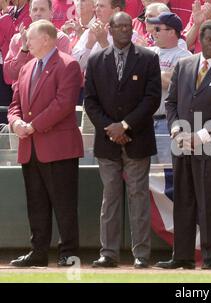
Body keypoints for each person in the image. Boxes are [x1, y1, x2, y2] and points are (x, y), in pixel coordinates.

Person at [154, 20, 211, 270]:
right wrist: (177, 130)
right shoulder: (184, 65)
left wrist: (201, 136)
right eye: (209, 39)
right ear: (200, 39)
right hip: (181, 145)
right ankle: (181, 256)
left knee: (210, 203)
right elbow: (171, 103)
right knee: (183, 201)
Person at [84, 12, 161, 269]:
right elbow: (90, 101)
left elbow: (152, 99)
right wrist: (110, 128)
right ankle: (109, 253)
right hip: (108, 141)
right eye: (120, 26)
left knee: (139, 196)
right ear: (110, 28)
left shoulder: (148, 58)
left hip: (137, 138)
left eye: (129, 26)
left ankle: (141, 254)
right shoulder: (96, 60)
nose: (126, 30)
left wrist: (125, 125)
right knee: (111, 197)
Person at [8, 19, 83, 267]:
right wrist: (16, 122)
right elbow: (15, 103)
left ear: (47, 39)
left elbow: (63, 104)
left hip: (58, 147)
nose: (26, 42)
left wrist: (33, 126)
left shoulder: (68, 64)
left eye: (30, 37)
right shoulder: (26, 68)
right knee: (36, 204)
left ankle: (68, 253)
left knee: (64, 204)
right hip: (30, 148)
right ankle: (38, 252)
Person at [147, 12, 191, 164]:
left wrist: (149, 71)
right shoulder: (150, 52)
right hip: (145, 122)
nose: (153, 32)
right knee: (147, 176)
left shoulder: (184, 56)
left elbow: (171, 82)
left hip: (167, 123)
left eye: (158, 29)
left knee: (168, 172)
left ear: (172, 31)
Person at [3, 0, 71, 86]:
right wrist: (24, 50)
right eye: (35, 10)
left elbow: (61, 74)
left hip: (50, 95)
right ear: (30, 13)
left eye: (42, 9)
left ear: (51, 13)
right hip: (21, 96)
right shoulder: (18, 39)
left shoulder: (61, 39)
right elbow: (10, 74)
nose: (38, 13)